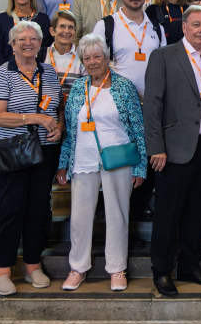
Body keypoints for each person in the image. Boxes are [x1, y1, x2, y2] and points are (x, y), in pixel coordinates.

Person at [144, 5, 201, 297]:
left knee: (196, 213)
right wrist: (156, 147)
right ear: (184, 27)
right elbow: (152, 106)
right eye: (196, 24)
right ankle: (162, 271)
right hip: (173, 150)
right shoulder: (164, 56)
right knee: (168, 214)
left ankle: (190, 266)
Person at [56, 33, 147, 292]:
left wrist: (140, 167)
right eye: (87, 58)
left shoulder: (124, 86)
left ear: (107, 57)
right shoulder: (77, 87)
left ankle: (117, 268)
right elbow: (70, 130)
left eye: (97, 56)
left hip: (118, 158)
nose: (93, 62)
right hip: (83, 158)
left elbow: (138, 129)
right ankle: (78, 267)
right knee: (79, 218)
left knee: (117, 215)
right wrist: (63, 163)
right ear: (82, 61)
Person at [0, 21, 65, 296]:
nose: (28, 43)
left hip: (44, 150)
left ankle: (33, 265)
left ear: (41, 43)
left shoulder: (49, 72)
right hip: (14, 149)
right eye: (22, 39)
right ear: (12, 44)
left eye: (34, 38)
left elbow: (56, 109)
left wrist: (58, 128)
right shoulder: (2, 74)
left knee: (37, 210)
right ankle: (2, 269)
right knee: (12, 209)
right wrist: (36, 118)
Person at [92, 0, 166, 101]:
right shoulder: (105, 26)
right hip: (115, 103)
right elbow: (93, 67)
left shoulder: (157, 28)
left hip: (151, 103)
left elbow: (163, 68)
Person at [0, 0, 51, 67]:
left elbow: (45, 51)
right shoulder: (2, 19)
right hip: (7, 73)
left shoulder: (43, 19)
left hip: (35, 73)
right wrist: (4, 74)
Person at [47, 10, 85, 101]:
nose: (67, 31)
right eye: (62, 26)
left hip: (73, 111)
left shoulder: (82, 57)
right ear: (52, 31)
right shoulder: (41, 55)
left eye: (71, 27)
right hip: (47, 110)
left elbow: (86, 91)